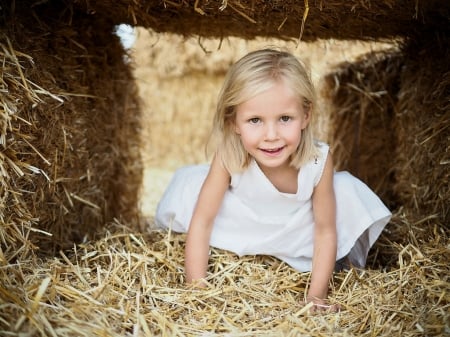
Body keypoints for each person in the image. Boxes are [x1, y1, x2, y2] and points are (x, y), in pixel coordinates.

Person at [155, 48, 392, 311]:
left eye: (285, 119)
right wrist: (196, 288)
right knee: (190, 186)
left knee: (345, 190)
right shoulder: (228, 155)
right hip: (241, 221)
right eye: (255, 120)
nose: (271, 135)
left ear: (306, 115)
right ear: (234, 122)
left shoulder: (318, 161)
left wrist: (316, 296)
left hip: (296, 229)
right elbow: (203, 221)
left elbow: (325, 231)